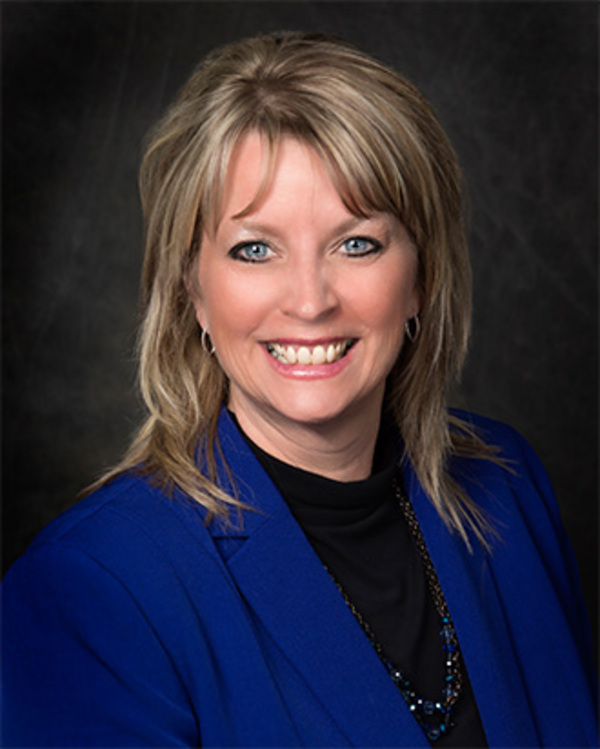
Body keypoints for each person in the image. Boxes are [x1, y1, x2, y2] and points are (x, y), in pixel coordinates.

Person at [2, 31, 597, 748]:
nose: (310, 301)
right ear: (191, 287)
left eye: (357, 243)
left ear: (421, 278)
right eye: (255, 249)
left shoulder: (507, 483)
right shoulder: (92, 591)